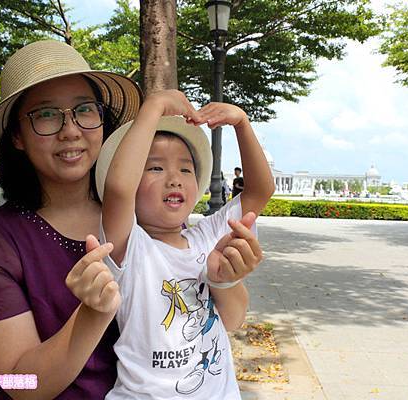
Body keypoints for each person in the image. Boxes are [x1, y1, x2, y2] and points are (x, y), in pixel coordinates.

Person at [0, 39, 144, 400]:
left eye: (84, 110)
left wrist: (225, 280)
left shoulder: (139, 212)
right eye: (45, 115)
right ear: (17, 136)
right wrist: (92, 313)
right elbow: (21, 385)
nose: (71, 130)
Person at [93, 90, 275, 398]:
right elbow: (118, 189)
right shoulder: (129, 246)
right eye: (156, 168)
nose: (174, 179)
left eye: (185, 169)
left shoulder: (206, 236)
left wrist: (243, 124)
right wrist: (154, 106)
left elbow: (260, 191)